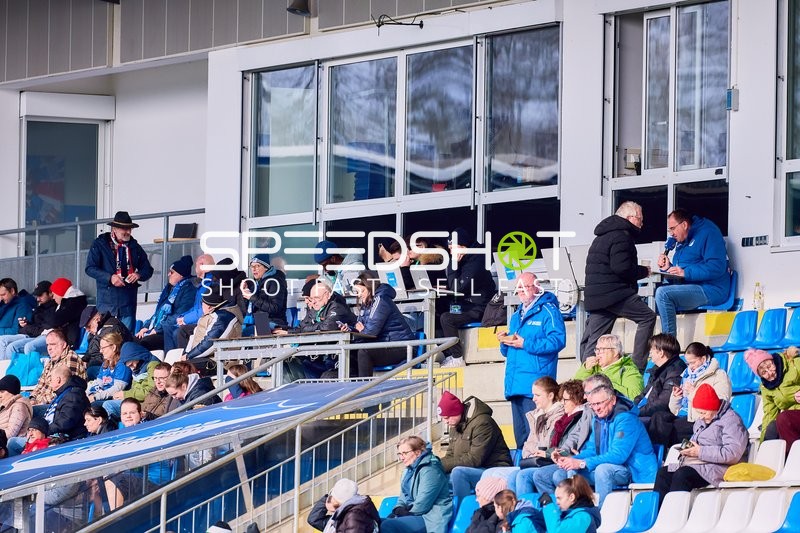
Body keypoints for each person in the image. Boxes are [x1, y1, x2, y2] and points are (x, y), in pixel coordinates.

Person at [550, 381, 658, 505]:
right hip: (611, 466)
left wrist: (581, 463)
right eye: (592, 405)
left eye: (599, 403)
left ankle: (602, 516)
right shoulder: (598, 419)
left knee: (603, 470)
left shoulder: (626, 420)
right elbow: (591, 450)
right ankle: (577, 512)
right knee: (561, 473)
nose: (596, 408)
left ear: (612, 400)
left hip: (633, 470)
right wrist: (569, 459)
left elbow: (618, 456)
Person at [580, 201, 657, 371]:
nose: (642, 224)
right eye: (640, 219)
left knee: (594, 339)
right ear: (630, 218)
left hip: (597, 296)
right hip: (615, 293)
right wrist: (644, 271)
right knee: (647, 317)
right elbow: (621, 267)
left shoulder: (601, 236)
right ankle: (637, 367)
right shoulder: (622, 235)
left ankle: (586, 373)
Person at [496, 272, 566, 448]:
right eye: (519, 288)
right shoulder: (515, 315)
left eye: (526, 287)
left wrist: (526, 343)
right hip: (515, 384)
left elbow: (558, 340)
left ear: (537, 287)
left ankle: (535, 471)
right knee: (520, 437)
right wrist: (504, 341)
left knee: (535, 435)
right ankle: (522, 470)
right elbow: (508, 352)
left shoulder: (549, 311)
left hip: (535, 383)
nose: (522, 291)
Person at [653, 383, 748, 506]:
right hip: (698, 464)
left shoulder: (732, 421)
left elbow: (732, 454)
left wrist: (699, 451)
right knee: (663, 473)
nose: (701, 417)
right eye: (699, 413)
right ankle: (658, 516)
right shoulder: (702, 421)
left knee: (682, 475)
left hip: (720, 466)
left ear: (713, 407)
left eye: (703, 413)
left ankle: (674, 515)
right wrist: (688, 450)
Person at [655, 209, 730, 337]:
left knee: (663, 294)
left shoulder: (709, 233)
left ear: (684, 225)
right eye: (669, 230)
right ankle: (656, 345)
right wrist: (668, 268)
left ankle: (668, 346)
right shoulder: (682, 239)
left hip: (712, 289)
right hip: (692, 286)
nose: (671, 234)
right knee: (653, 292)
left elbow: (717, 267)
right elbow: (684, 270)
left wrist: (685, 272)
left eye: (673, 228)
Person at [650, 342, 732, 447]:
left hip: (702, 420)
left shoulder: (719, 375)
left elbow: (720, 403)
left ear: (703, 359)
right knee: (658, 417)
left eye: (693, 363)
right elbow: (673, 409)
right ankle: (657, 454)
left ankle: (661, 455)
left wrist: (694, 393)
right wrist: (677, 397)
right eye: (688, 363)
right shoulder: (687, 375)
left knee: (669, 430)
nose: (690, 367)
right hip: (683, 416)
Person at [516, 379, 590, 495]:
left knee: (539, 475)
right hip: (559, 458)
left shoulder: (579, 417)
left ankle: (556, 508)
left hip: (570, 459)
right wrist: (550, 453)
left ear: (577, 400)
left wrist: (548, 453)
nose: (563, 403)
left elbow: (569, 447)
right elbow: (562, 445)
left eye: (565, 400)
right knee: (518, 475)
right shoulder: (565, 419)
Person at [85, 211, 154, 332]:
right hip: (106, 303)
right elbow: (90, 268)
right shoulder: (100, 244)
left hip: (127, 302)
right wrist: (110, 278)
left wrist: (138, 274)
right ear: (114, 229)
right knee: (105, 341)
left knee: (125, 339)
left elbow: (148, 269)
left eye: (129, 229)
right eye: (124, 228)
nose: (127, 232)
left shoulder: (134, 246)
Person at [437, 391, 512, 501]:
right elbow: (450, 455)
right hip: (476, 468)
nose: (445, 422)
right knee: (433, 475)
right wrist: (435, 466)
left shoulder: (483, 423)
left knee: (458, 473)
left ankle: (463, 510)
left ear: (456, 411)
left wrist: (440, 465)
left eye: (447, 417)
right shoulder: (456, 425)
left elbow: (475, 459)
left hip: (494, 469)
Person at [439, 227, 496, 368]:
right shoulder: (464, 260)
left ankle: (457, 358)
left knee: (446, 318)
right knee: (436, 314)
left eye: (453, 248)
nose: (451, 252)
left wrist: (453, 264)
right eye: (449, 248)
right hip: (465, 305)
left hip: (479, 308)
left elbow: (457, 287)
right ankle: (448, 355)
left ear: (463, 246)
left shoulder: (477, 261)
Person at [341, 271, 415, 377]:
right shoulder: (367, 303)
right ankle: (351, 387)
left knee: (363, 352)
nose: (359, 295)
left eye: (362, 291)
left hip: (401, 346)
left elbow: (371, 332)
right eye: (357, 292)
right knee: (349, 351)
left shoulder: (381, 300)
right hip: (383, 344)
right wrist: (350, 329)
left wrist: (361, 330)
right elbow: (361, 326)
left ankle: (364, 389)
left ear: (370, 288)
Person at [380, 435, 452, 533]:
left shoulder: (431, 470)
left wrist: (405, 514)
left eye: (405, 453)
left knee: (388, 525)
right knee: (377, 523)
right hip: (412, 514)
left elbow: (423, 504)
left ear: (417, 452)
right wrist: (398, 508)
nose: (401, 457)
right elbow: (403, 497)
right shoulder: (408, 471)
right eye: (399, 454)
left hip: (428, 517)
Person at [136, 255, 197, 351]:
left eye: (172, 272)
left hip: (168, 330)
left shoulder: (189, 290)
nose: (168, 274)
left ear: (181, 275)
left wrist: (157, 329)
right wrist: (146, 326)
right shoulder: (169, 289)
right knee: (134, 341)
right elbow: (158, 313)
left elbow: (179, 314)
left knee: (144, 343)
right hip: (159, 328)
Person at [745, 348, 800, 440]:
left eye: (769, 366)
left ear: (773, 360)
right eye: (764, 372)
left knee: (783, 418)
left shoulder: (794, 364)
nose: (770, 373)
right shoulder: (766, 387)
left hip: (790, 417)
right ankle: (767, 453)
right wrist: (763, 446)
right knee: (772, 427)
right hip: (793, 417)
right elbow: (769, 415)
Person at [166, 253, 215, 352]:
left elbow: (205, 309)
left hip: (205, 322)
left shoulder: (210, 284)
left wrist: (186, 319)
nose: (195, 269)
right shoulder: (203, 284)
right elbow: (195, 308)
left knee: (178, 332)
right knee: (169, 327)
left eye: (196, 266)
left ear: (202, 265)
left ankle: (183, 362)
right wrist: (182, 317)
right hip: (197, 320)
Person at [29, 329, 87, 409]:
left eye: (53, 344)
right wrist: (32, 399)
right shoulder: (51, 361)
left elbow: (64, 390)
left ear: (63, 345)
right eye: (47, 345)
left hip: (58, 405)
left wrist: (40, 403)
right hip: (41, 402)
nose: (49, 348)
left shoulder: (71, 359)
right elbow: (40, 384)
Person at [574, 333, 643, 399]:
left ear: (615, 352)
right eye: (597, 349)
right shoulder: (592, 368)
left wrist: (604, 383)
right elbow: (574, 390)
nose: (597, 353)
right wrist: (586, 369)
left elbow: (635, 396)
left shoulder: (628, 370)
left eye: (602, 349)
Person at [102, 341, 159, 420]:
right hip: (136, 401)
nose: (132, 368)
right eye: (129, 366)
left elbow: (152, 392)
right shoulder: (137, 367)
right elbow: (134, 389)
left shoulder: (153, 365)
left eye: (132, 364)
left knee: (108, 405)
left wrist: (126, 395)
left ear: (138, 356)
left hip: (146, 403)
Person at [635, 333, 686, 420]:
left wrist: (638, 412)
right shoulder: (657, 369)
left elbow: (663, 403)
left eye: (652, 349)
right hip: (645, 412)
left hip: (658, 418)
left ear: (661, 353)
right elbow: (644, 394)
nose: (650, 352)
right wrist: (631, 407)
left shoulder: (675, 371)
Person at [1, 280, 55, 359]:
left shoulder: (54, 309)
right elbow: (31, 325)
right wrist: (25, 324)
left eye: (40, 295)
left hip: (40, 336)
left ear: (50, 293)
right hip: (31, 334)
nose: (37, 299)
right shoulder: (39, 308)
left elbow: (44, 328)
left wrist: (27, 328)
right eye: (36, 296)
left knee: (11, 345)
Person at [78, 305, 135, 378]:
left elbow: (108, 355)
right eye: (85, 328)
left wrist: (88, 364)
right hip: (103, 364)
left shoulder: (111, 329)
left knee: (90, 371)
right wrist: (83, 360)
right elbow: (90, 352)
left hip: (117, 366)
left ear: (97, 319)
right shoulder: (95, 332)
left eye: (88, 326)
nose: (87, 330)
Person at [183, 292, 243, 361]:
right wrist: (187, 354)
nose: (201, 306)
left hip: (219, 362)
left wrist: (188, 356)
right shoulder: (215, 315)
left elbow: (210, 344)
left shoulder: (223, 318)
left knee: (180, 369)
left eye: (202, 303)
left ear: (209, 307)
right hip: (203, 356)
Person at [306, 478, 380, 532]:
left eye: (332, 496)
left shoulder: (355, 516)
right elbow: (314, 519)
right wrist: (328, 498)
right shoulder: (341, 514)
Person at [520, 376, 565, 466]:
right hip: (534, 461)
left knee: (523, 476)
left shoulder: (559, 416)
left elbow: (546, 446)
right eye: (533, 395)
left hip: (551, 463)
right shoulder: (535, 416)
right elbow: (525, 449)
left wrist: (532, 449)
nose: (533, 399)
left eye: (538, 395)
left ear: (550, 396)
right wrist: (533, 452)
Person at [43, 365, 90, 441]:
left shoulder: (73, 395)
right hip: (53, 434)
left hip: (67, 439)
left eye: (51, 379)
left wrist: (43, 431)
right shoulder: (64, 393)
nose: (49, 382)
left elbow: (65, 422)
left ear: (58, 380)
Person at [86, 332, 132, 407]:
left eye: (103, 348)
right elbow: (99, 383)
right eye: (100, 348)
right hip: (103, 395)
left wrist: (96, 397)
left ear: (113, 347)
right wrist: (87, 394)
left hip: (114, 399)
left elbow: (117, 389)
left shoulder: (122, 365)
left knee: (93, 406)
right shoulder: (105, 363)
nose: (100, 351)